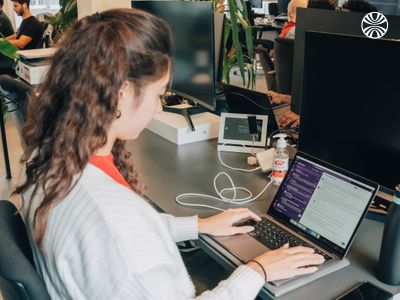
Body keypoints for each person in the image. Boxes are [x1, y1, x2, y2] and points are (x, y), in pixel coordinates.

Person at [15, 9, 323, 299]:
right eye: (158, 93)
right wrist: (258, 270)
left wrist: (200, 225)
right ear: (121, 94)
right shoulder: (112, 222)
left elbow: (123, 236)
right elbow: (120, 236)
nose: (160, 106)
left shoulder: (53, 154)